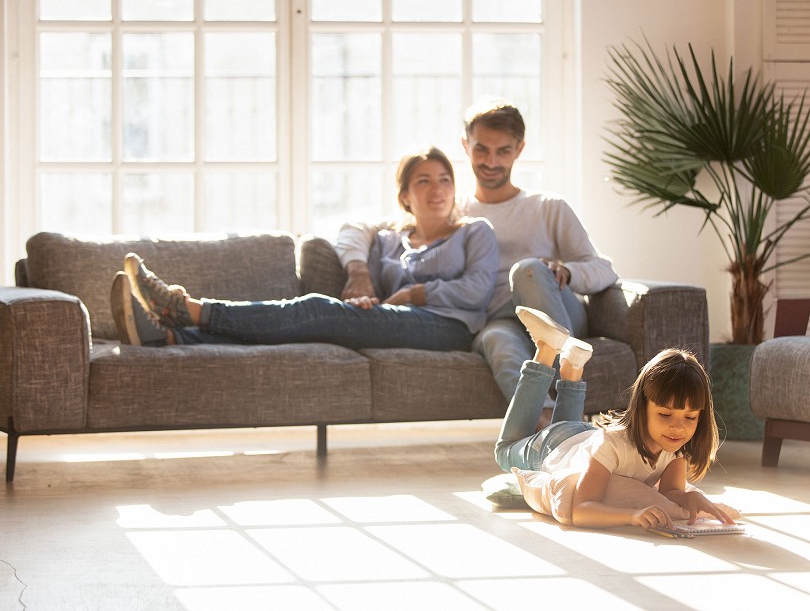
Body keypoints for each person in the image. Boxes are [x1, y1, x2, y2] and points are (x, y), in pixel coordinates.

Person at [336, 100, 618, 428]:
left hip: (555, 311)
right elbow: (359, 227)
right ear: (465, 146)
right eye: (481, 150)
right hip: (503, 321)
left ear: (520, 150)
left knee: (526, 270)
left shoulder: (547, 208)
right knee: (495, 340)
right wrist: (358, 269)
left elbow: (604, 269)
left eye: (503, 151)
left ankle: (570, 380)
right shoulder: (454, 211)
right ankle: (554, 431)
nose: (491, 161)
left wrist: (567, 271)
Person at [110, 147, 499, 351]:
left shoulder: (474, 232)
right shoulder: (387, 241)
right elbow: (358, 245)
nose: (438, 190)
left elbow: (477, 290)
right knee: (307, 327)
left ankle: (186, 310)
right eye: (425, 181)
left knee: (317, 308)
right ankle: (171, 338)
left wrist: (417, 292)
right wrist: (365, 292)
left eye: (445, 180)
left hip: (448, 327)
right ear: (404, 196)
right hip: (396, 321)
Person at [497, 306, 739, 530]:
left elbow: (670, 491)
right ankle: (546, 351)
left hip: (580, 436)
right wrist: (631, 516)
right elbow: (581, 510)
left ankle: (572, 367)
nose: (678, 427)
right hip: (551, 446)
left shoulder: (675, 445)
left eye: (690, 417)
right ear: (642, 407)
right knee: (504, 452)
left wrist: (688, 496)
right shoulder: (614, 445)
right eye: (665, 414)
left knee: (570, 433)